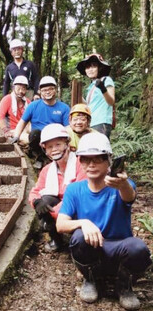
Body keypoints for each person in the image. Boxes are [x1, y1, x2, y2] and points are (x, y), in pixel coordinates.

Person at [57, 133, 151, 309]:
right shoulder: (74, 189)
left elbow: (129, 196)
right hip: (93, 251)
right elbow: (60, 224)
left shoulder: (123, 185)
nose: (91, 164)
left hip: (119, 249)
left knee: (138, 248)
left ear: (109, 161)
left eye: (98, 159)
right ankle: (91, 279)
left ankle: (124, 286)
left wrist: (122, 184)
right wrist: (83, 222)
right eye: (85, 159)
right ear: (80, 161)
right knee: (78, 237)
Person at [28, 124, 86, 252]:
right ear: (45, 150)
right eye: (49, 147)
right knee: (45, 199)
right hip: (58, 210)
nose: (54, 149)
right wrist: (37, 202)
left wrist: (53, 214)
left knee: (50, 208)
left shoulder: (80, 164)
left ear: (67, 144)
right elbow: (35, 191)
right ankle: (56, 239)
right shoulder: (47, 170)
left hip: (79, 208)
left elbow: (79, 194)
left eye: (58, 145)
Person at [13, 76, 70, 168]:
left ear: (55, 90)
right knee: (34, 134)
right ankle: (39, 157)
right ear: (40, 92)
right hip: (38, 138)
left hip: (56, 137)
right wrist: (16, 136)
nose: (47, 92)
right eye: (44, 90)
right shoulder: (33, 106)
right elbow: (22, 122)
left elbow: (68, 128)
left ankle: (57, 158)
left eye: (50, 89)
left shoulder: (64, 108)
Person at [76, 53, 115, 138]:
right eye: (87, 67)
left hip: (101, 122)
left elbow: (111, 101)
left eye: (93, 66)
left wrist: (102, 88)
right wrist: (77, 94)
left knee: (100, 149)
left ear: (100, 68)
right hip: (91, 123)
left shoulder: (106, 80)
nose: (90, 69)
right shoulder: (91, 86)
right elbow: (88, 106)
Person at [0, 75, 31, 141]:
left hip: (26, 127)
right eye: (18, 88)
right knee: (28, 139)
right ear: (13, 88)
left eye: (23, 88)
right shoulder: (7, 99)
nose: (20, 91)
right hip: (13, 129)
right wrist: (6, 130)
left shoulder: (27, 101)